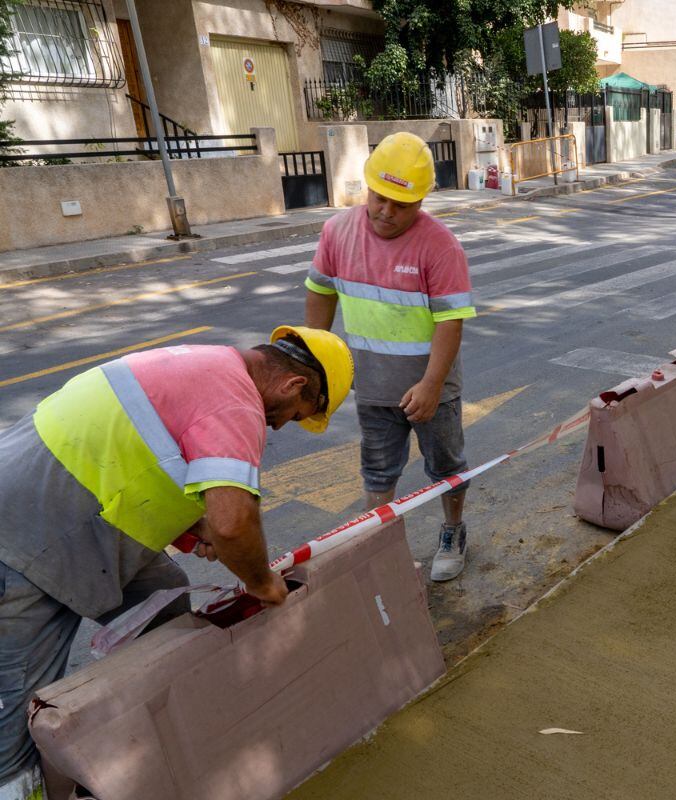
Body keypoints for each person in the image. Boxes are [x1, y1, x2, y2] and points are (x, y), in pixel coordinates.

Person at [0, 325, 354, 800]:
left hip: (72, 515)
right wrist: (262, 582)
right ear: (293, 385)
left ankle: (161, 739)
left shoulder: (205, 363)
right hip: (27, 539)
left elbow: (137, 459)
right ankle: (17, 788)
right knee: (17, 707)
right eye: (296, 414)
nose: (282, 425)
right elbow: (233, 523)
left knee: (166, 609)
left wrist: (190, 527)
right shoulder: (236, 402)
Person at [305, 132, 477, 583]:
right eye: (380, 198)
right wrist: (315, 362)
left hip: (429, 389)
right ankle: (378, 550)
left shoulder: (439, 246)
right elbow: (320, 292)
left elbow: (450, 321)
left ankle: (453, 531)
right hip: (373, 387)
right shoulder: (337, 232)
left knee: (446, 467)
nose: (386, 211)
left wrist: (433, 384)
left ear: (421, 201)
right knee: (377, 472)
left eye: (401, 205)